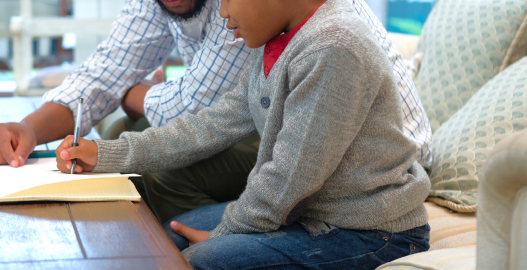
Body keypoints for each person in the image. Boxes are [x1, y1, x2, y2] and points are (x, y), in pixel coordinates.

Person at [52, 0, 431, 268]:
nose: (223, 12)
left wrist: (227, 233)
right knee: (167, 237)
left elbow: (290, 177)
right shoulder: (276, 39)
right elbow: (208, 126)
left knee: (199, 259)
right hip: (309, 215)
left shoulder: (334, 47)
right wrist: (107, 154)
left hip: (370, 232)